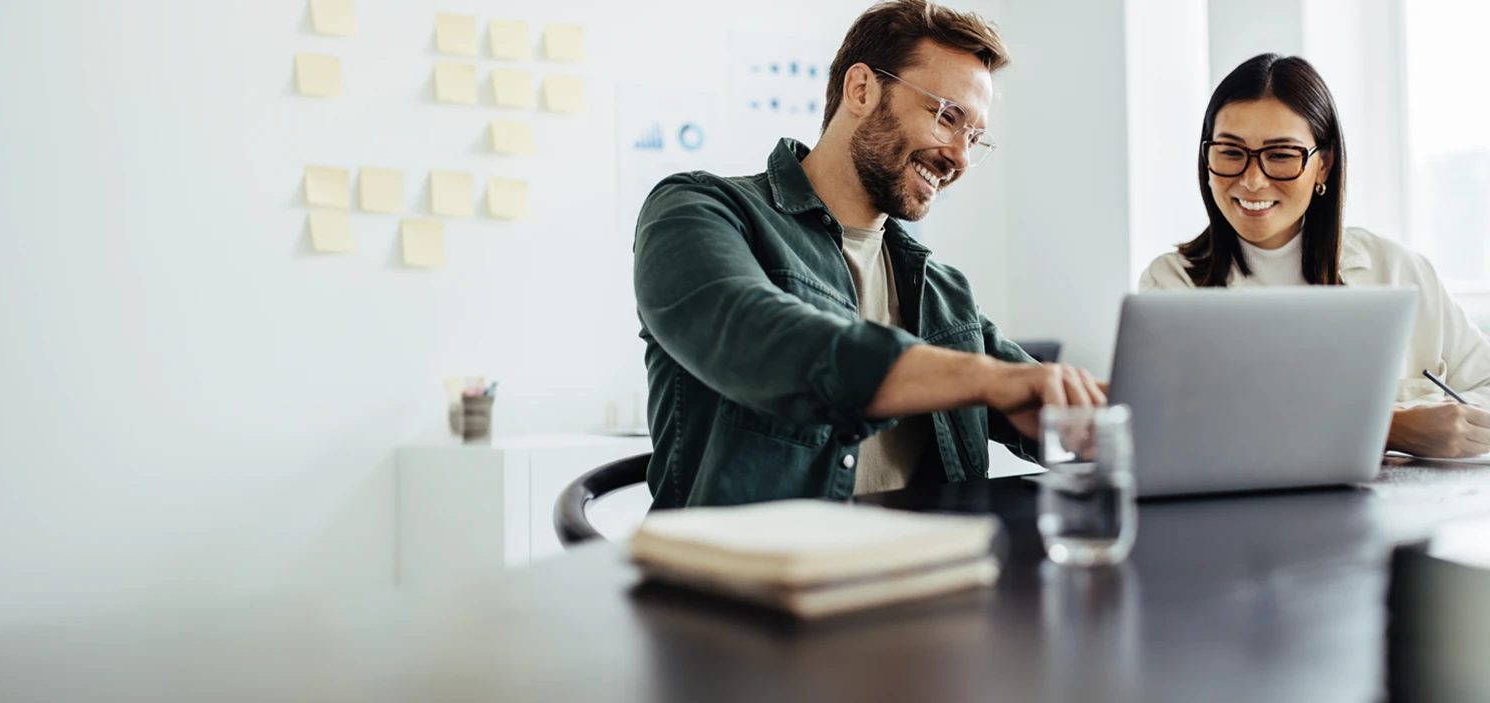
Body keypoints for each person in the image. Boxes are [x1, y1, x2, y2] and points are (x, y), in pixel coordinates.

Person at [633, 0, 1103, 509]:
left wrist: (1102, 411)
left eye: (974, 137)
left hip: (931, 574)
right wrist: (987, 379)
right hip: (755, 578)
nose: (961, 158)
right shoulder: (698, 209)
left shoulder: (943, 291)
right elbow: (762, 336)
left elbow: (1036, 395)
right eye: (947, 117)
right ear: (862, 90)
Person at [1140, 53, 1490, 460]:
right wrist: (1389, 427)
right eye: (1231, 152)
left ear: (1323, 165)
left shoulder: (1398, 270)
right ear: (1207, 159)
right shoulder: (1170, 286)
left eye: (1282, 155)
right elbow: (1181, 431)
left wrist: (1450, 424)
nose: (1252, 180)